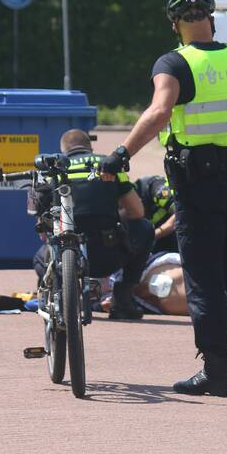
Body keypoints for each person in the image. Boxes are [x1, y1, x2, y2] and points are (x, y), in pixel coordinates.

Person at [100, 0, 227, 397]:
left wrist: (121, 153)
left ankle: (216, 370)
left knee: (205, 275)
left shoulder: (173, 63)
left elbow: (159, 112)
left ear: (174, 23)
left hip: (201, 183)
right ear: (211, 17)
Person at [29, 129, 153, 320]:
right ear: (89, 147)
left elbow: (43, 233)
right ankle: (123, 298)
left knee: (40, 258)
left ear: (63, 149)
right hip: (108, 255)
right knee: (145, 227)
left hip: (66, 259)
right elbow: (137, 212)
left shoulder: (52, 169)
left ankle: (61, 296)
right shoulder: (108, 165)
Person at [134, 175, 178, 254]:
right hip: (160, 248)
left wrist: (152, 236)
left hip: (180, 238)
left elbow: (182, 214)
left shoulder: (153, 188)